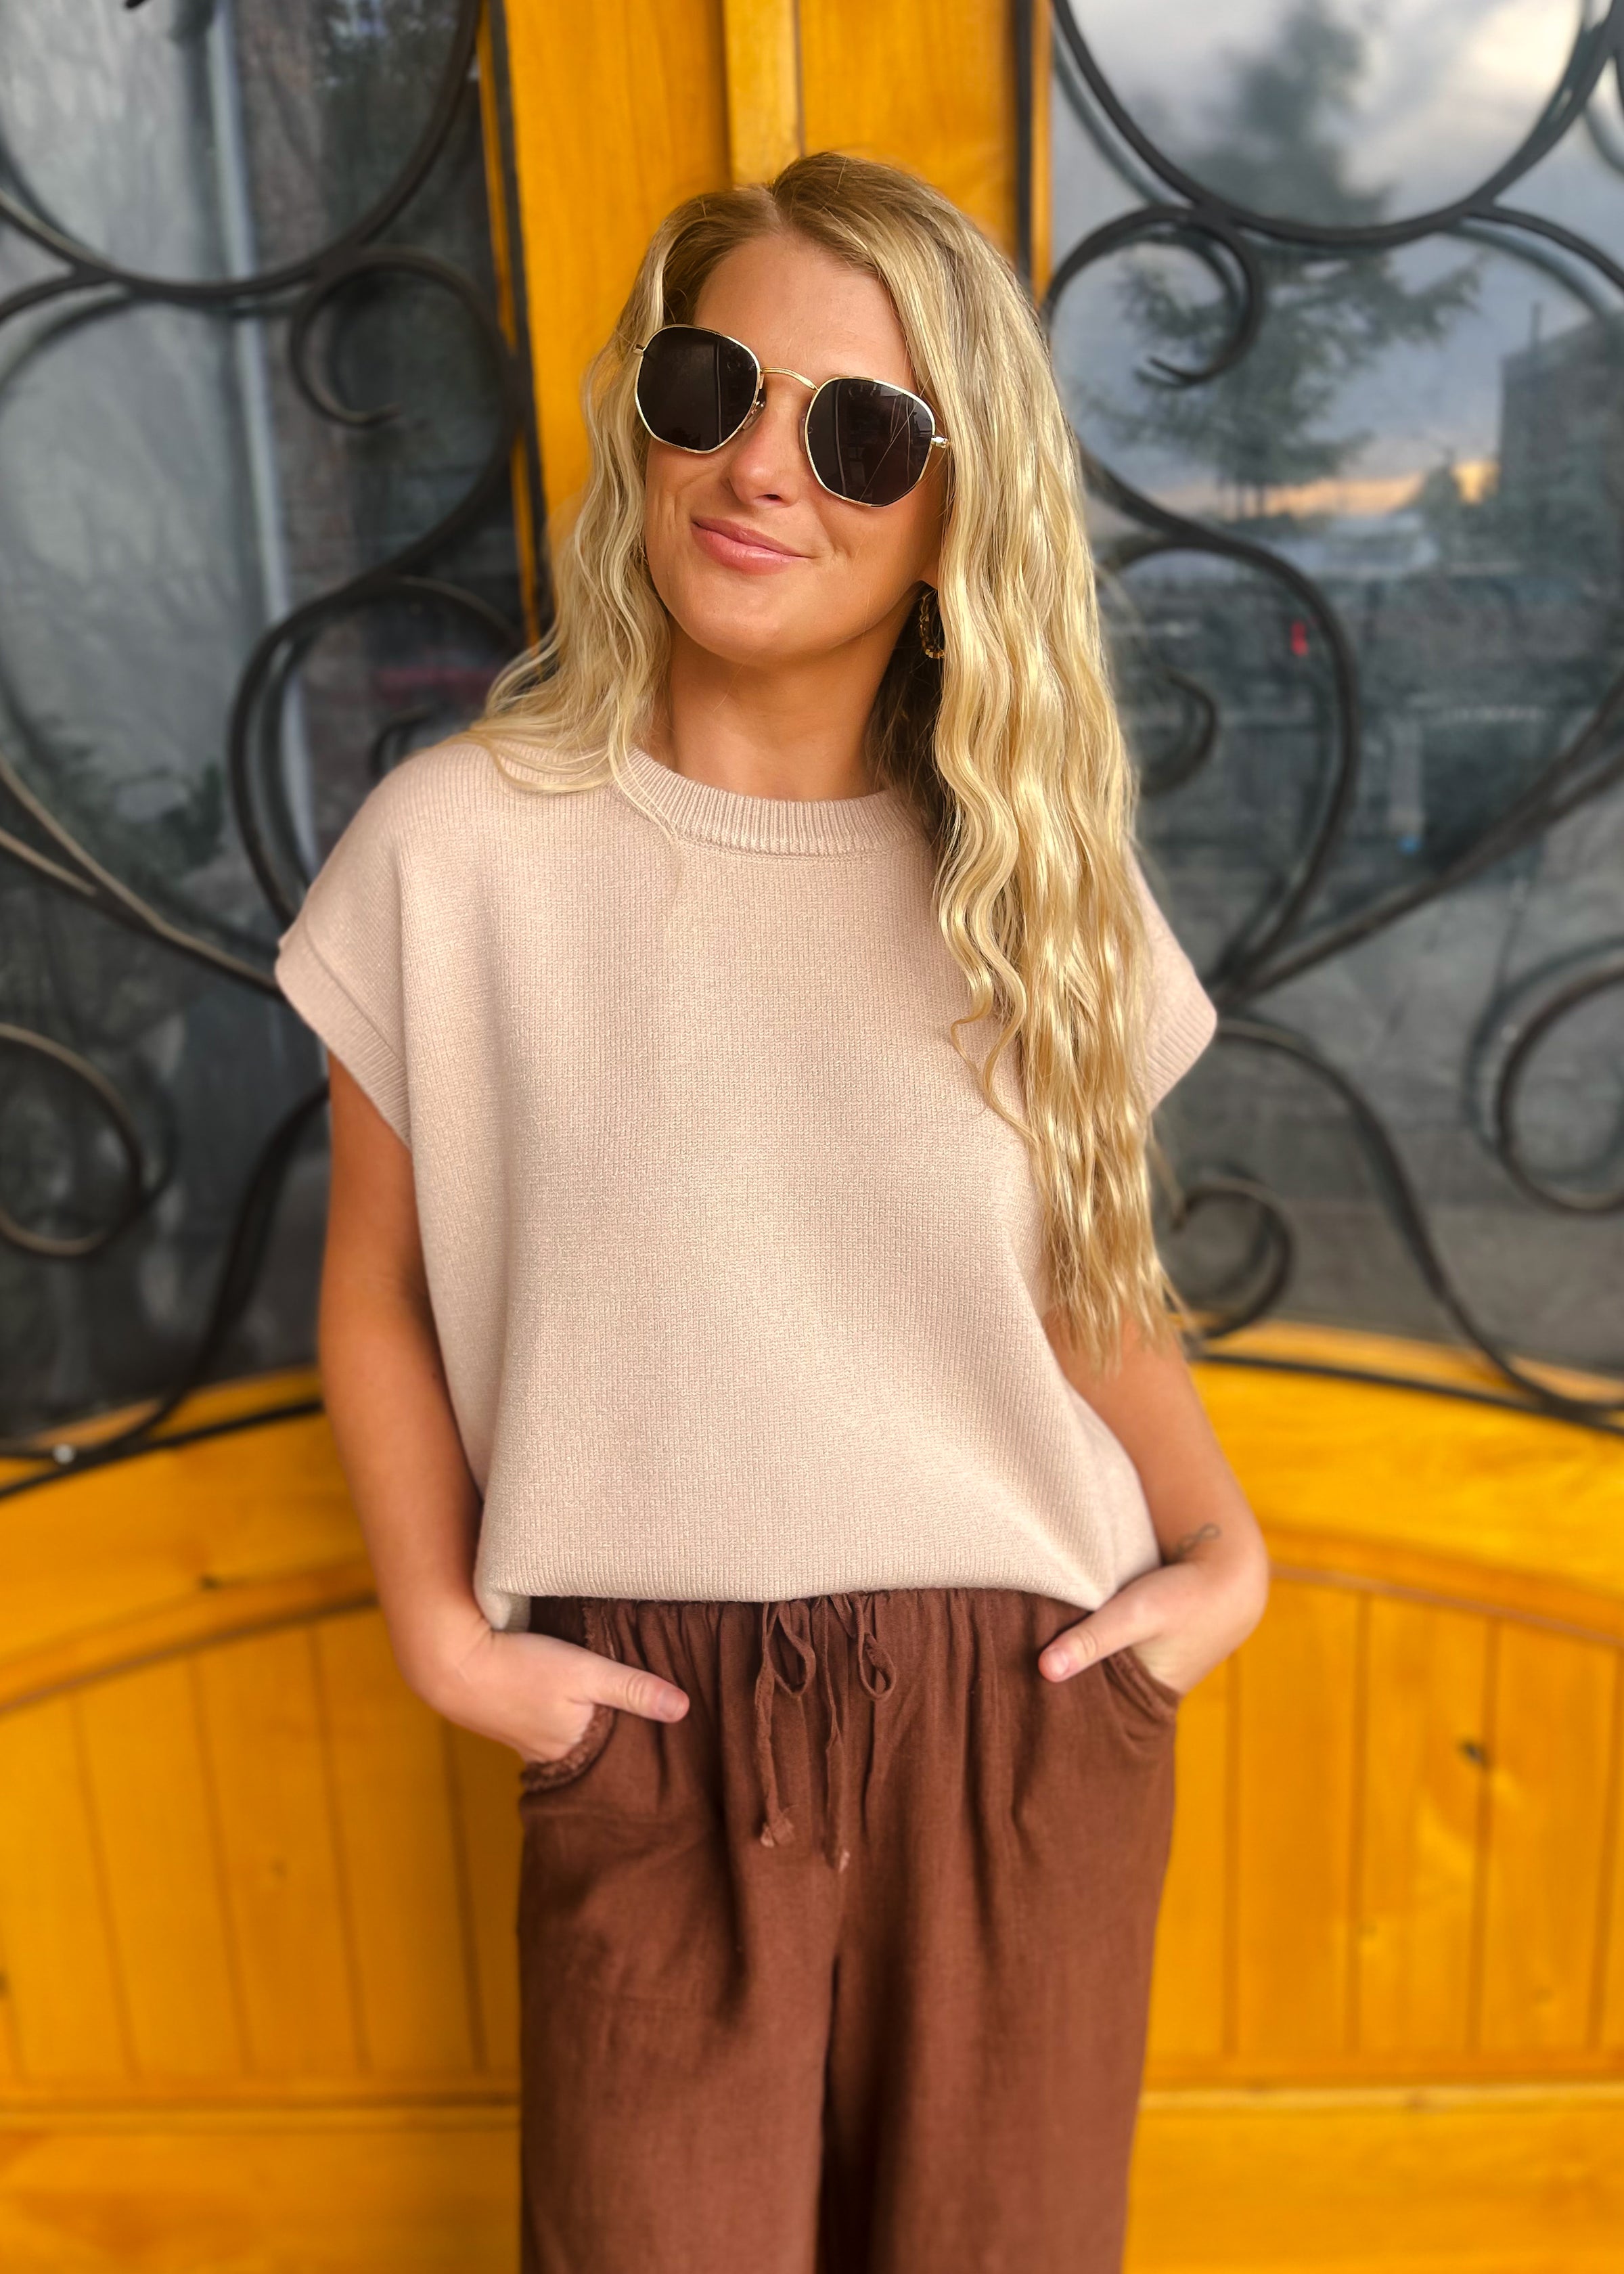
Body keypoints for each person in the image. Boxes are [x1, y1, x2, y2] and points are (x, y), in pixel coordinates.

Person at [274, 151, 1269, 2274]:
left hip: (1021, 1706)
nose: (759, 467)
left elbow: (1078, 1287)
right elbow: (374, 1290)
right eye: (713, 385)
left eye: (863, 434)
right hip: (646, 1714)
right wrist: (445, 1633)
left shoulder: (1034, 886)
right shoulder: (457, 851)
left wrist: (1226, 1553)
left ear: (955, 512)